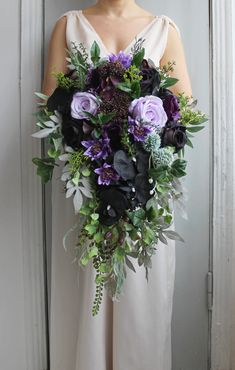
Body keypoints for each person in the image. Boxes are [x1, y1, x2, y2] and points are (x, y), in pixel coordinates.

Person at [42, 1, 193, 369]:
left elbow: (184, 114)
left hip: (144, 195)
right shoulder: (68, 26)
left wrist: (138, 144)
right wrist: (96, 138)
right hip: (87, 191)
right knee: (85, 300)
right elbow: (50, 109)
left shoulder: (163, 29)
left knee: (142, 304)